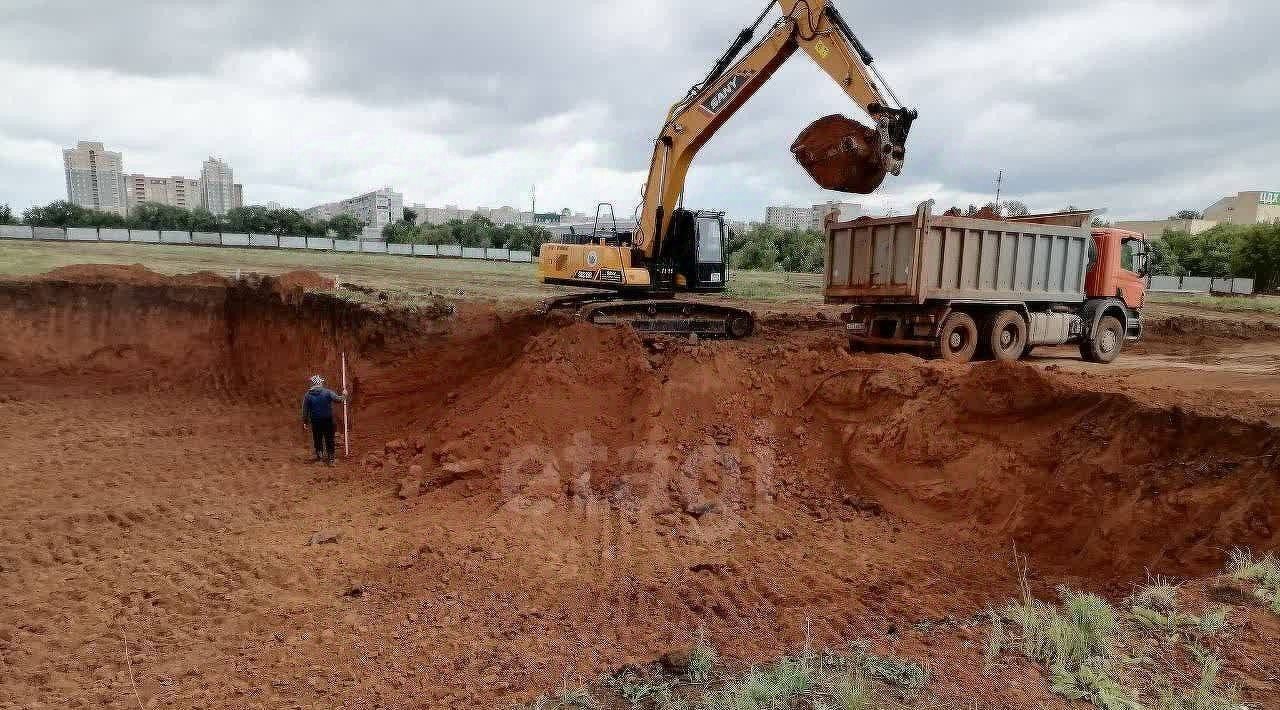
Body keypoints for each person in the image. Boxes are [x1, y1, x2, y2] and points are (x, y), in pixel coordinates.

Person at [301, 375, 347, 465]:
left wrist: (305, 421)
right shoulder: (328, 392)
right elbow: (338, 399)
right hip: (327, 420)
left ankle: (320, 458)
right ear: (319, 383)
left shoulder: (308, 395)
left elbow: (305, 410)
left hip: (315, 421)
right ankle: (331, 459)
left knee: (317, 439)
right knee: (329, 438)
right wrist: (344, 395)